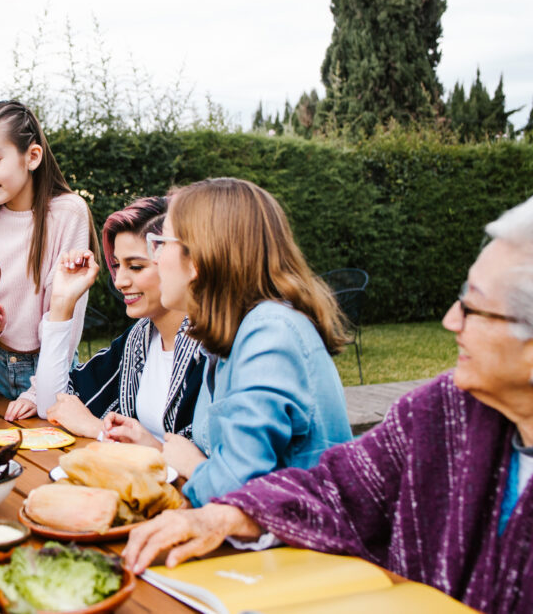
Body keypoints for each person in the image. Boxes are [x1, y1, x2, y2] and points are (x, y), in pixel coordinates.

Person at [122, 196, 533, 614]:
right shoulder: (444, 410)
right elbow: (335, 486)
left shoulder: (268, 332)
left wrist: (201, 475)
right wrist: (226, 516)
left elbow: (235, 476)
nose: (450, 320)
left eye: (473, 305)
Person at [150, 178, 352, 505]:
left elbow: (240, 493)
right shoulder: (230, 337)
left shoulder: (271, 335)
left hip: (305, 551)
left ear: (199, 258)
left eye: (161, 242)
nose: (155, 258)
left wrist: (193, 466)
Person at [4, 197, 209, 447]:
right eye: (116, 265)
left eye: (135, 267)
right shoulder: (139, 340)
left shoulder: (211, 350)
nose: (119, 281)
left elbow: (204, 465)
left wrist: (97, 428)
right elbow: (55, 406)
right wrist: (61, 304)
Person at [0, 100, 98, 399]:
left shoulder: (68, 213)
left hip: (46, 368)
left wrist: (37, 392)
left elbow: (68, 314)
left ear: (32, 157)